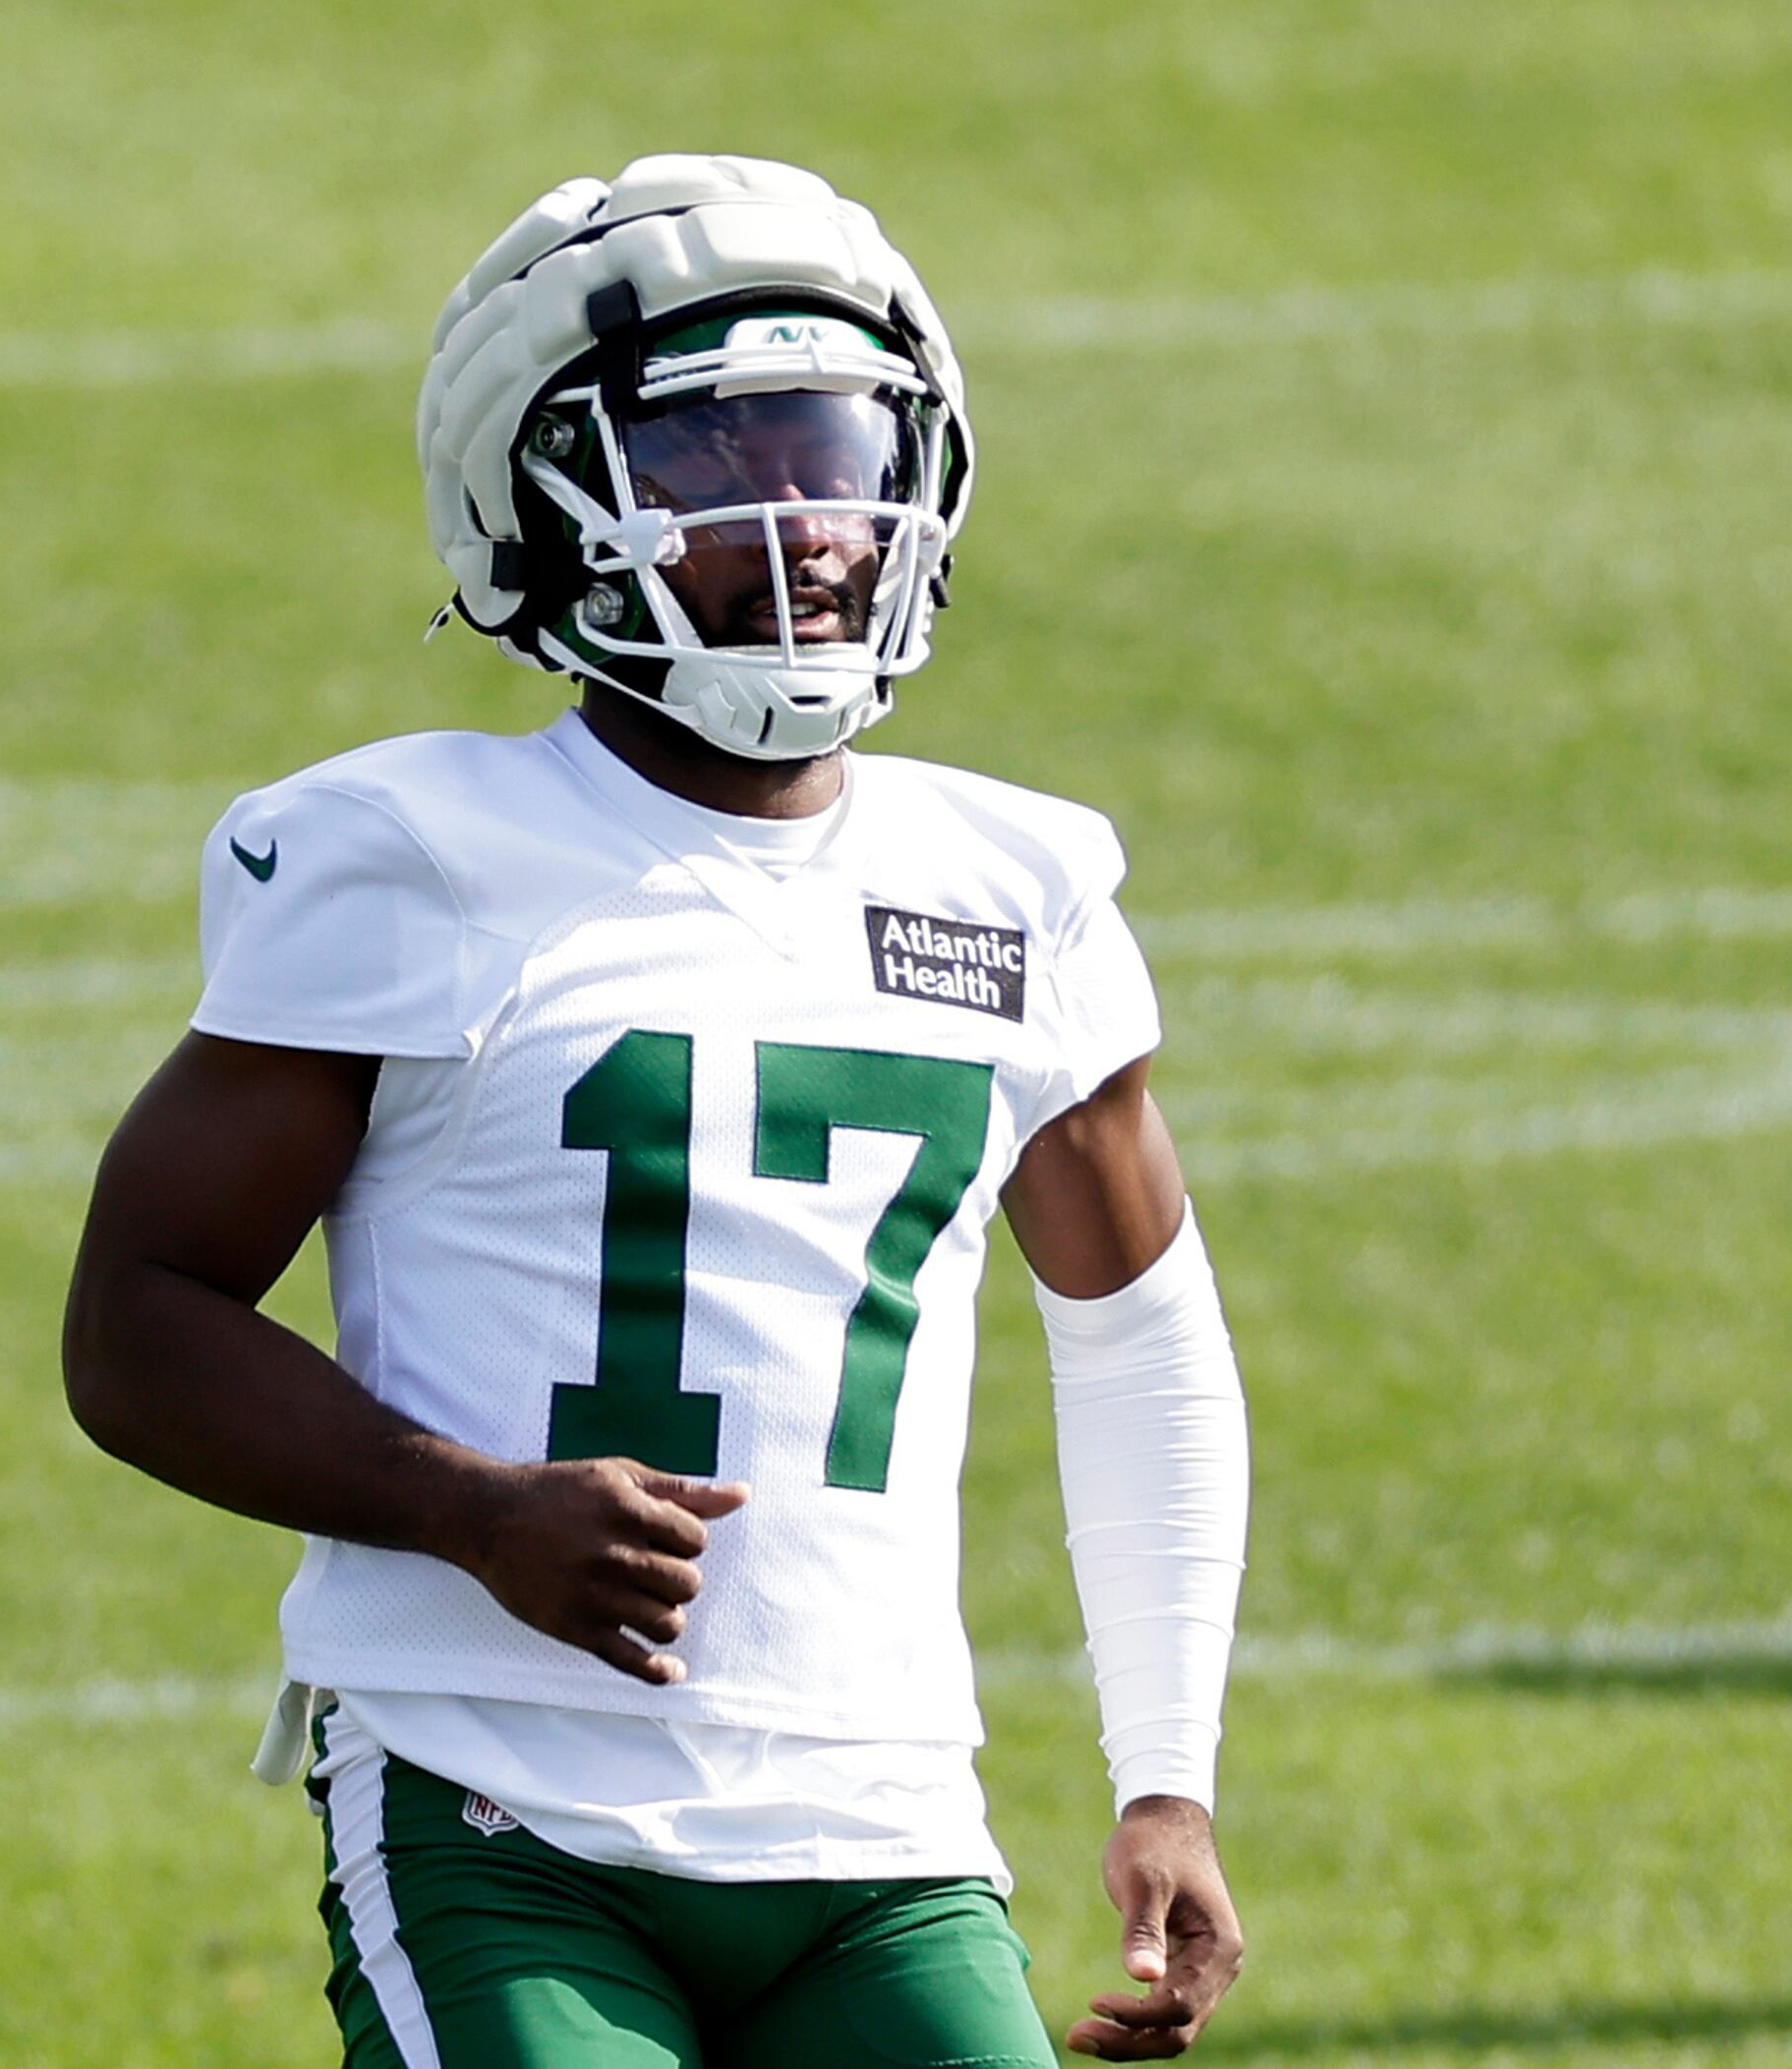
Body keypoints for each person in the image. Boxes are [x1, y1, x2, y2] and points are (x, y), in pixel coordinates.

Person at [61, 154, 1249, 2068]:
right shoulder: (415, 853)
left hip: (882, 1833)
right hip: (499, 1802)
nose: (811, 522)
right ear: (536, 506)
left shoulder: (1014, 886)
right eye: (717, 461)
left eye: (843, 450)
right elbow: (135, 1321)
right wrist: (468, 1513)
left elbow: (1140, 1344)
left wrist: (1165, 1773)